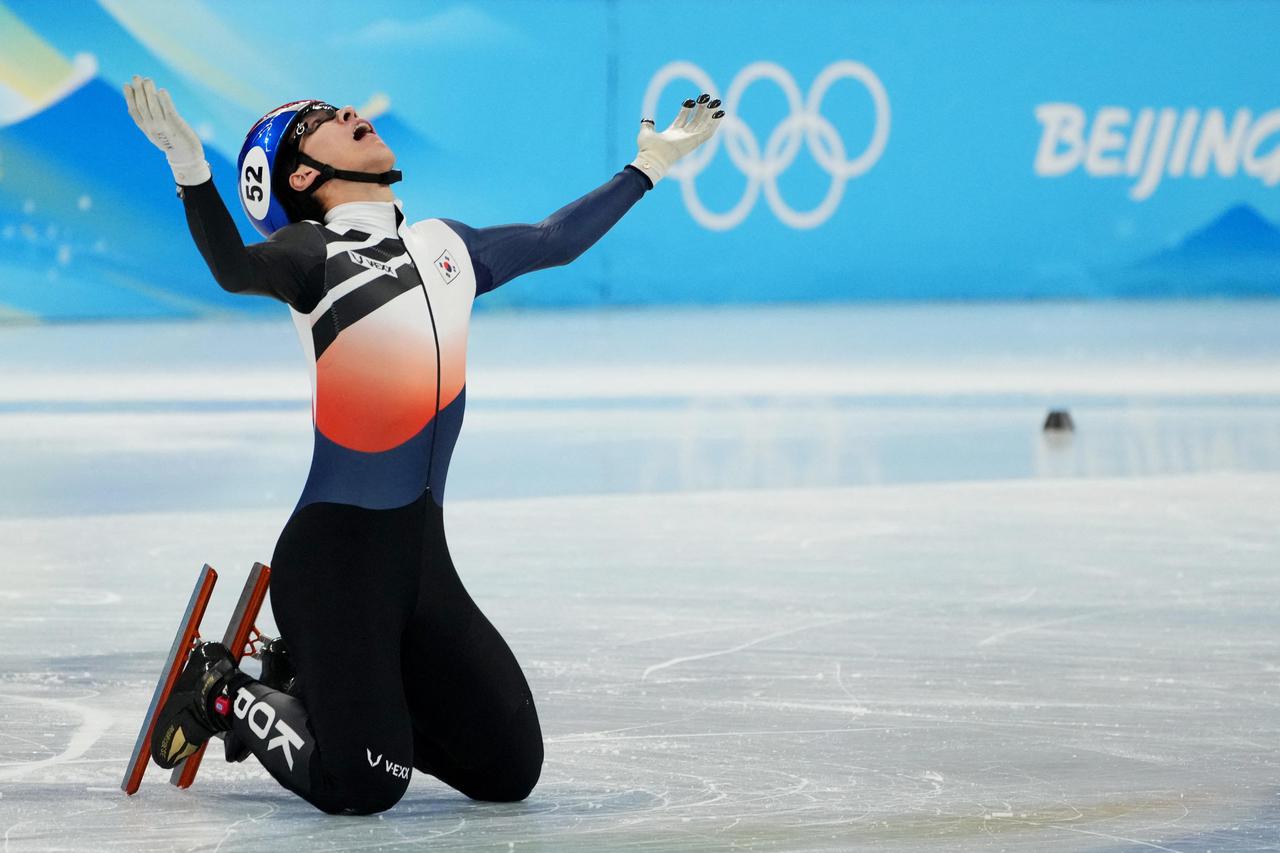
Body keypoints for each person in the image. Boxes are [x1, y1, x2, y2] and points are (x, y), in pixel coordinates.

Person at [123, 74, 723, 815]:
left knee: (509, 768)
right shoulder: (308, 254)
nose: (347, 111)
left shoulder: (445, 246)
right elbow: (233, 269)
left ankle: (311, 680)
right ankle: (222, 689)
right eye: (317, 120)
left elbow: (553, 241)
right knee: (366, 782)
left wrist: (650, 166)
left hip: (421, 561)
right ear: (303, 176)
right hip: (335, 564)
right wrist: (191, 171)